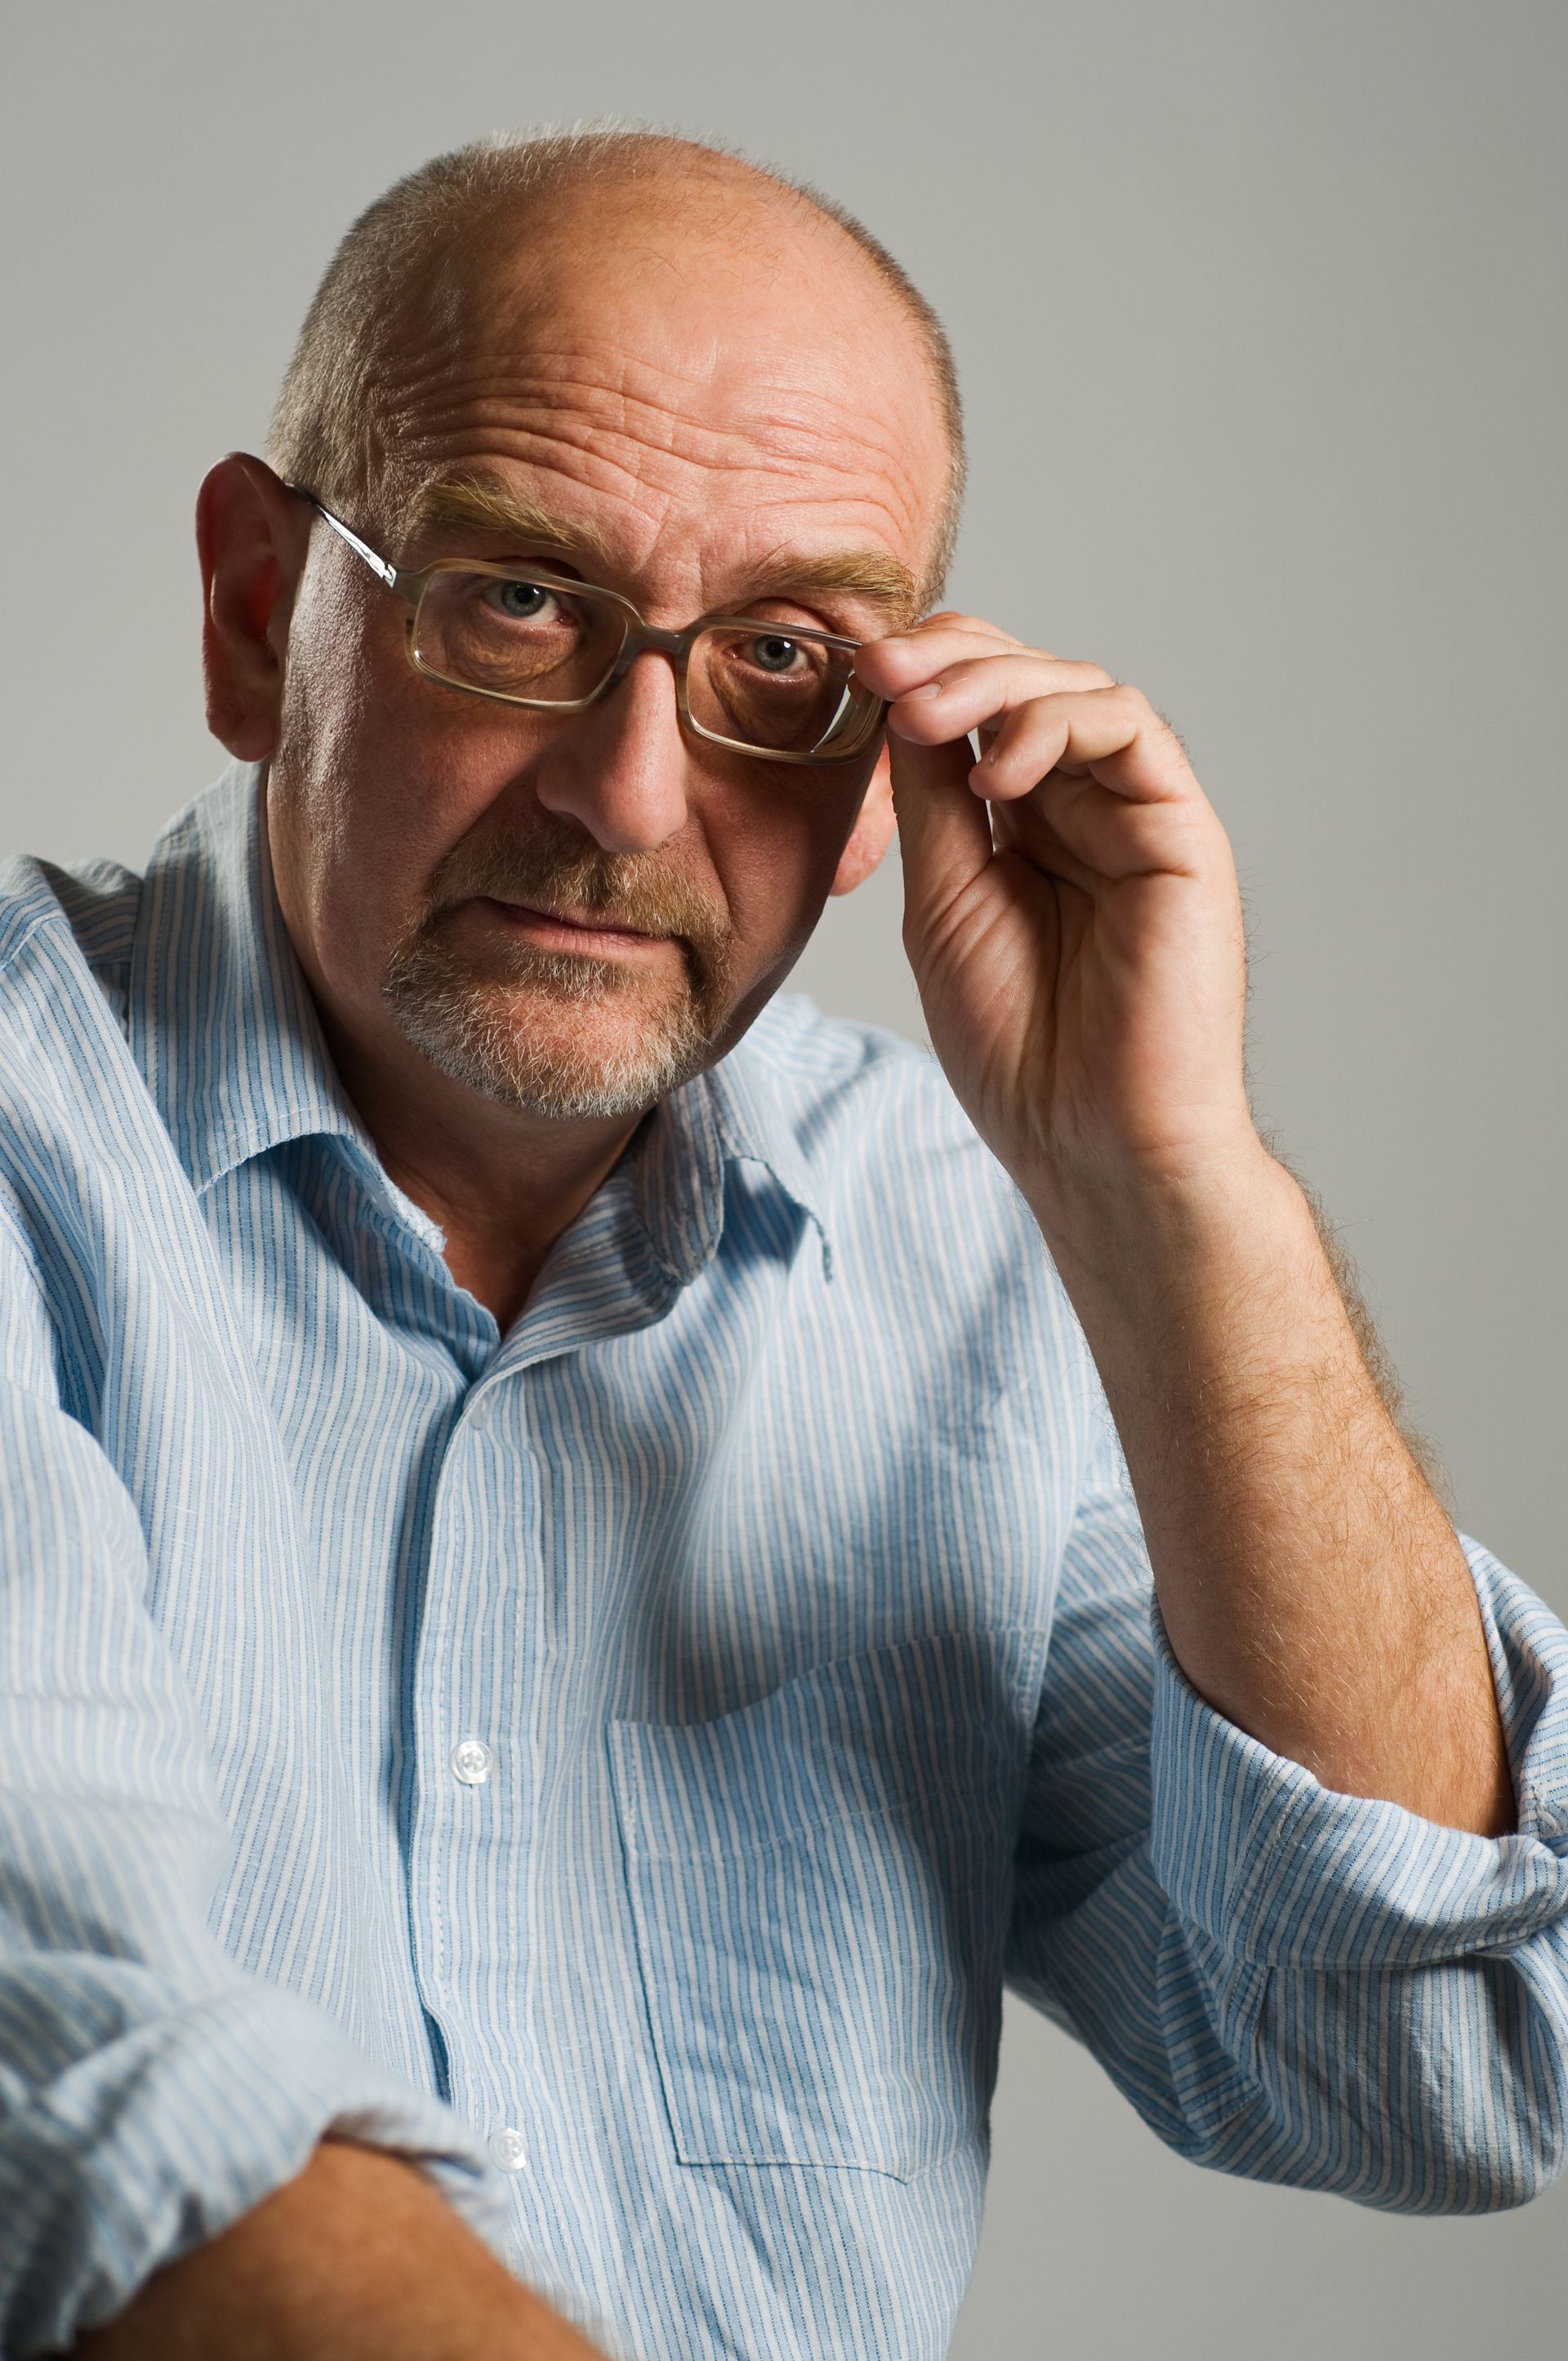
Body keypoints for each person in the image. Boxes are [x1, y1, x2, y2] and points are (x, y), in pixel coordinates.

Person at [2, 125, 1564, 2361]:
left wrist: (1169, 1183)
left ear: (883, 765)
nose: (631, 793)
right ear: (265, 617)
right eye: (520, 597)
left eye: (787, 660)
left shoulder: (968, 1256)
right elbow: (91, 2099)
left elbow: (1432, 2064)